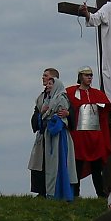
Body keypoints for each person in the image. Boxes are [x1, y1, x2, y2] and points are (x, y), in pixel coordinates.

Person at [67, 67, 111, 198]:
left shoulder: (97, 94)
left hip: (95, 136)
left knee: (97, 169)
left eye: (91, 75)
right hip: (79, 136)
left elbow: (105, 111)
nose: (89, 78)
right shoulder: (71, 92)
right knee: (77, 167)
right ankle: (75, 193)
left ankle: (100, 193)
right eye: (87, 75)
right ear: (81, 77)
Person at [29, 77, 77, 201]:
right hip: (47, 137)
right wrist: (42, 115)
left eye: (51, 83)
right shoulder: (44, 99)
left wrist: (54, 121)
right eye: (48, 83)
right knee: (47, 165)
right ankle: (46, 192)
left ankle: (60, 193)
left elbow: (63, 116)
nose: (48, 85)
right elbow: (37, 118)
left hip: (57, 137)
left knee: (59, 164)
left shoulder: (61, 98)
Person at [28, 67, 63, 195]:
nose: (43, 78)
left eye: (46, 76)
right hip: (43, 134)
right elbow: (36, 114)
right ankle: (41, 191)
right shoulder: (41, 97)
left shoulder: (61, 95)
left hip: (55, 135)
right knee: (39, 162)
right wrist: (40, 114)